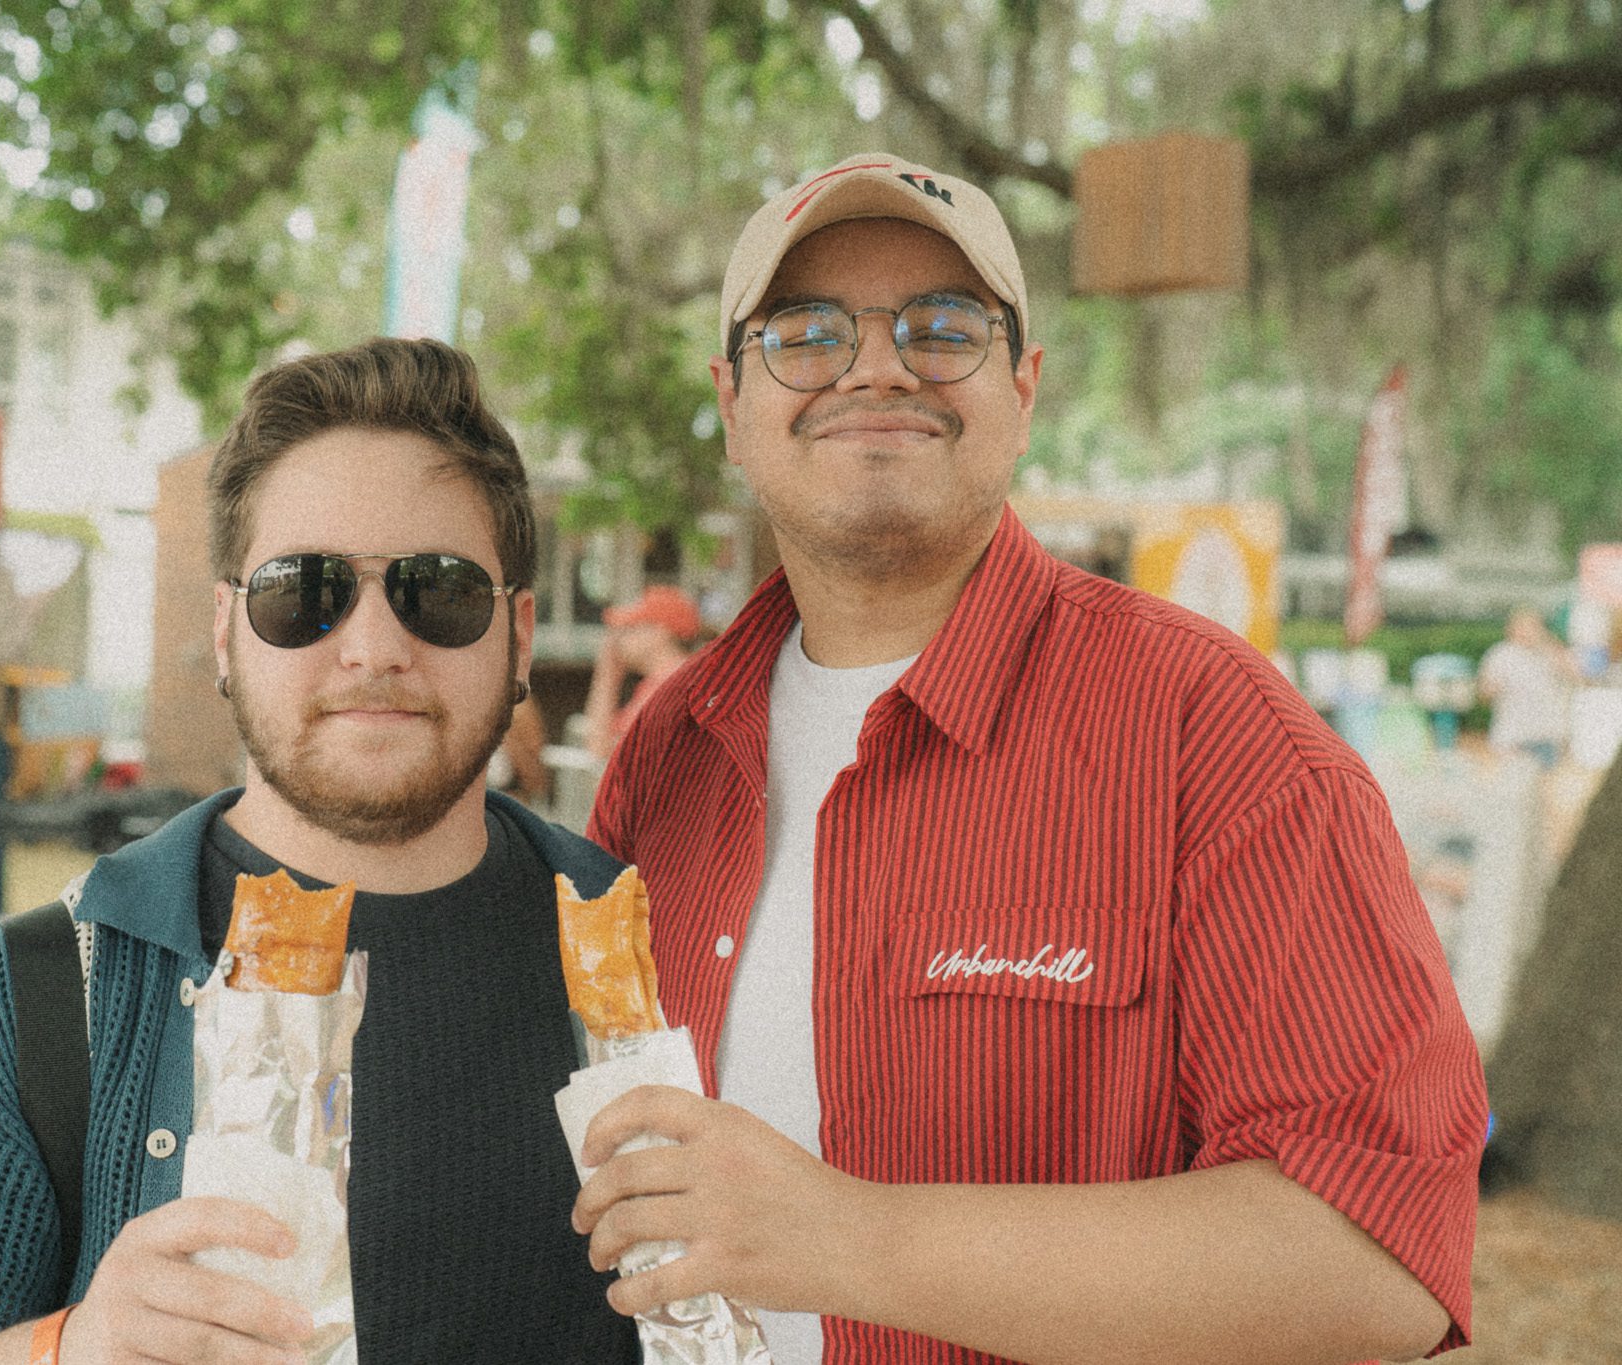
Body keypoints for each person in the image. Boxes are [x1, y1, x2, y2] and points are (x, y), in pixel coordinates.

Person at [575, 153, 1488, 1365]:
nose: (877, 363)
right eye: (803, 332)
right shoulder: (665, 757)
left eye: (940, 326)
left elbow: (1373, 1266)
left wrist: (844, 1239)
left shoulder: (1215, 741)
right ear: (733, 405)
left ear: (1024, 385)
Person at [0, 339, 640, 1365]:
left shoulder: (653, 954)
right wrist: (65, 1349)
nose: (371, 647)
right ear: (228, 633)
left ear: (516, 634)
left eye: (438, 590)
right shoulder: (54, 994)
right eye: (303, 591)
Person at [582, 584, 700, 759]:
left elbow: (601, 752)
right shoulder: (681, 675)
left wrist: (606, 676)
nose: (618, 639)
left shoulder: (666, 685)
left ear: (659, 631)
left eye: (630, 628)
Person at [1478, 606, 1576, 768]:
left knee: (1544, 785)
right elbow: (1484, 693)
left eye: (1532, 626)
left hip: (1547, 736)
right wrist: (1491, 688)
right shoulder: (1500, 654)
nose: (1527, 631)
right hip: (1511, 736)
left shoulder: (1549, 651)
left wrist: (1549, 644)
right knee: (1513, 782)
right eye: (1522, 626)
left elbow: (1574, 674)